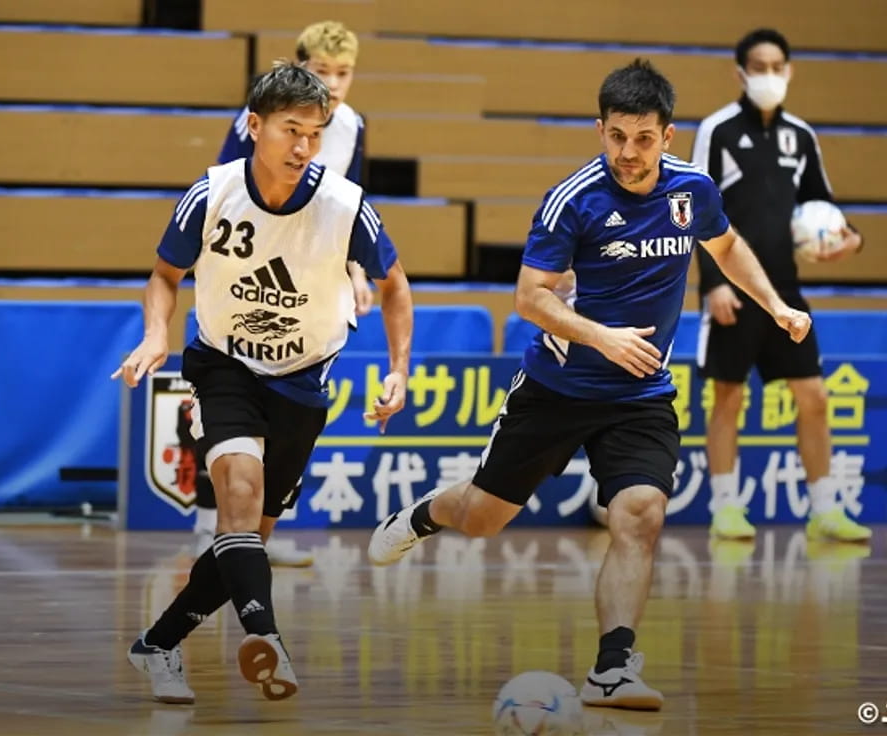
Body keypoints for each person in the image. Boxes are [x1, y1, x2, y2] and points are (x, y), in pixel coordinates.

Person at [367, 59, 811, 711]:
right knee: (483, 520)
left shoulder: (692, 191)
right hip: (558, 389)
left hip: (641, 395)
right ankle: (427, 513)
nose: (629, 152)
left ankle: (612, 668)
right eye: (616, 137)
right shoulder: (572, 201)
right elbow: (530, 298)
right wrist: (603, 337)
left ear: (668, 136)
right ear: (600, 130)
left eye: (644, 139)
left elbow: (726, 246)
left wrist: (774, 305)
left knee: (641, 513)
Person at [113, 62, 412, 704]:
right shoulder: (212, 192)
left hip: (302, 380)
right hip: (224, 365)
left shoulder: (345, 205)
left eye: (315, 134)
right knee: (240, 496)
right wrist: (156, 333)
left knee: (247, 538)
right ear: (254, 126)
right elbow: (165, 274)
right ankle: (267, 639)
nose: (303, 147)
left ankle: (157, 644)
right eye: (290, 130)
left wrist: (398, 369)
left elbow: (395, 288)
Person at [197, 20, 374, 566]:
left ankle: (257, 535)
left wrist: (356, 271)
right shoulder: (259, 121)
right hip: (246, 272)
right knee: (226, 400)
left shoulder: (353, 126)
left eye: (344, 73)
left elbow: (352, 207)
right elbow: (226, 186)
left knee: (288, 411)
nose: (335, 83)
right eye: (323, 71)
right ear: (299, 68)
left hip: (306, 283)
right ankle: (210, 527)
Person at [692, 28, 869, 543]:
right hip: (733, 289)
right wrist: (712, 286)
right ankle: (725, 508)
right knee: (728, 397)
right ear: (741, 73)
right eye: (759, 67)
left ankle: (824, 511)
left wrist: (851, 239)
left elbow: (822, 204)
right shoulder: (718, 130)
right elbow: (698, 210)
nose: (769, 75)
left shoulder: (801, 136)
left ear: (789, 71)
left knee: (814, 396)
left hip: (786, 294)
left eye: (777, 67)